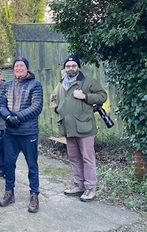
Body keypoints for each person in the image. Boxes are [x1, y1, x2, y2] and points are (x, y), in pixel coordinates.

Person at [50, 54, 107, 202]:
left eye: (73, 66)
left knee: (88, 158)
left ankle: (90, 187)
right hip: (68, 127)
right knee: (74, 157)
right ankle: (79, 184)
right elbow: (53, 99)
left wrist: (85, 97)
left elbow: (102, 96)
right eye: (68, 66)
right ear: (64, 68)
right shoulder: (61, 84)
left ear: (78, 67)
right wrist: (57, 109)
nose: (71, 68)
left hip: (85, 127)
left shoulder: (87, 82)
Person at [0, 56, 43, 213]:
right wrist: (9, 117)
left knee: (32, 164)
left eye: (21, 66)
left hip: (28, 132)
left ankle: (34, 194)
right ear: (13, 69)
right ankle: (9, 191)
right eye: (16, 66)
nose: (18, 68)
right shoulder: (7, 85)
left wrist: (17, 117)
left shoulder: (35, 85)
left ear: (27, 68)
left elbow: (36, 107)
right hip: (10, 132)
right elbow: (1, 105)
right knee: (8, 163)